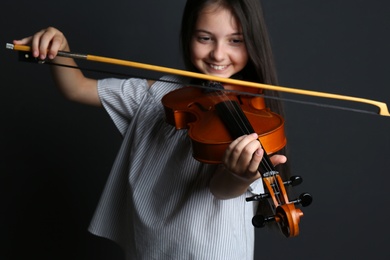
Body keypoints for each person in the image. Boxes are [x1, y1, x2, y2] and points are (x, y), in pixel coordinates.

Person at [13, 0, 288, 259]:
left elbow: (221, 188)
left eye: (235, 40)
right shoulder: (157, 94)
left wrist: (238, 175)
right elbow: (76, 88)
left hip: (211, 251)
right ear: (188, 34)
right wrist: (58, 47)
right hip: (150, 248)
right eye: (205, 38)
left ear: (252, 41)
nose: (218, 53)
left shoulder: (254, 115)